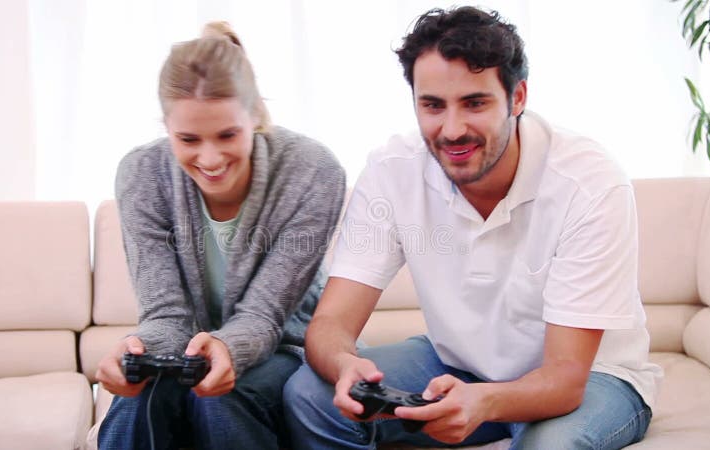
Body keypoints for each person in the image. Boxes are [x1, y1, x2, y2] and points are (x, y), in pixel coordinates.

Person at [283, 6, 662, 450]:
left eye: (475, 103)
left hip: (595, 379)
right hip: (458, 365)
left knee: (549, 446)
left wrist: (485, 403)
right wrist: (344, 363)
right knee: (310, 394)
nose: (452, 129)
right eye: (432, 105)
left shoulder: (588, 182)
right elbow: (329, 322)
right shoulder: (392, 170)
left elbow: (564, 379)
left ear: (517, 97)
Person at [94, 22, 345, 450]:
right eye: (188, 139)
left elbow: (264, 316)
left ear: (255, 116)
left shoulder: (313, 172)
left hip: (279, 348)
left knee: (221, 399)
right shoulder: (142, 175)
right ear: (166, 126)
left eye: (227, 135)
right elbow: (166, 316)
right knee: (139, 400)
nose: (209, 158)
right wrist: (135, 350)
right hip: (182, 350)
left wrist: (225, 348)